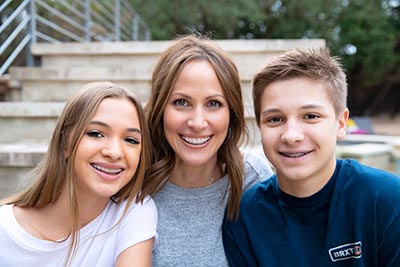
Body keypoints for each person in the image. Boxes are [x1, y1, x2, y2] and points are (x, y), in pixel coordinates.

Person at [222, 48, 400, 266]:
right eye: (275, 119)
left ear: (341, 123)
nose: (291, 136)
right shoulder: (243, 218)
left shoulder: (387, 201)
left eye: (311, 116)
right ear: (260, 125)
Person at [142, 35, 274, 267]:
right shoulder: (134, 180)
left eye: (214, 104)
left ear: (231, 113)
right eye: (181, 102)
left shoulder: (252, 178)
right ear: (160, 108)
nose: (198, 122)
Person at [0, 82, 157, 266]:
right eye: (96, 134)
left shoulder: (133, 211)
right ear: (65, 144)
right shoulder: (5, 228)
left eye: (131, 140)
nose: (115, 152)